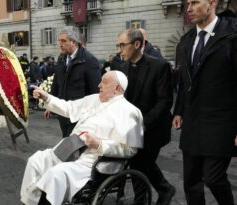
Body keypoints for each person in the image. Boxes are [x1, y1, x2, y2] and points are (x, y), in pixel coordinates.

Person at [20, 71, 144, 205]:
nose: (99, 85)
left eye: (104, 82)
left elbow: (130, 149)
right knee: (36, 161)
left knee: (56, 175)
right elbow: (69, 107)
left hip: (91, 161)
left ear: (117, 88)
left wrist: (99, 144)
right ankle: (29, 203)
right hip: (68, 149)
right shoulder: (94, 98)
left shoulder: (131, 112)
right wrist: (47, 98)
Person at [172, 1, 237, 204]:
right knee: (190, 181)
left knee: (214, 178)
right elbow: (184, 80)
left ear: (211, 3)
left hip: (221, 122)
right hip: (192, 121)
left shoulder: (232, 36)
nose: (188, 8)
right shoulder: (185, 41)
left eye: (194, 2)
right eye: (187, 3)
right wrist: (179, 110)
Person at [116, 29, 175, 205]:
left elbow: (164, 101)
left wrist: (143, 123)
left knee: (143, 163)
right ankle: (146, 198)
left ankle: (164, 190)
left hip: (153, 128)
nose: (120, 50)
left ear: (136, 44)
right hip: (131, 129)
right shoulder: (122, 68)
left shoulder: (159, 66)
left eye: (122, 45)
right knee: (136, 164)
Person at [48, 26, 101, 138]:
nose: (60, 44)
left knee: (78, 148)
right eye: (59, 41)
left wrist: (91, 116)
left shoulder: (89, 60)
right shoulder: (61, 58)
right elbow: (56, 83)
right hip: (63, 113)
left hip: (79, 116)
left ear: (74, 42)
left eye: (63, 41)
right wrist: (51, 106)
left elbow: (95, 92)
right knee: (66, 144)